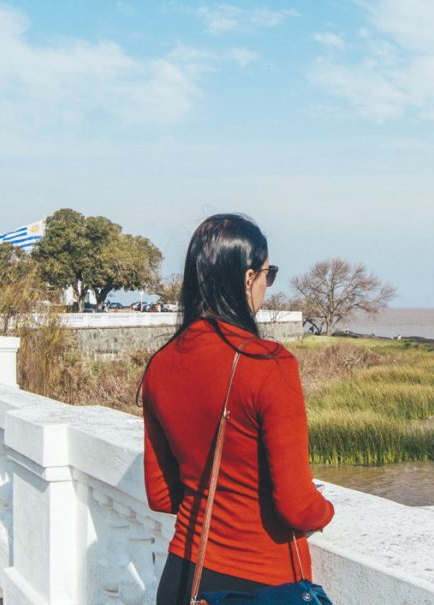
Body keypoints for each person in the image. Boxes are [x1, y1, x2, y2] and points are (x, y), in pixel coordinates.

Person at [141, 214, 334, 605]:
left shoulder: (160, 364)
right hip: (257, 585)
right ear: (248, 279)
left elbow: (161, 496)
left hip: (182, 578)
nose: (267, 284)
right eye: (268, 273)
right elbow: (296, 506)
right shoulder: (269, 364)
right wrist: (325, 509)